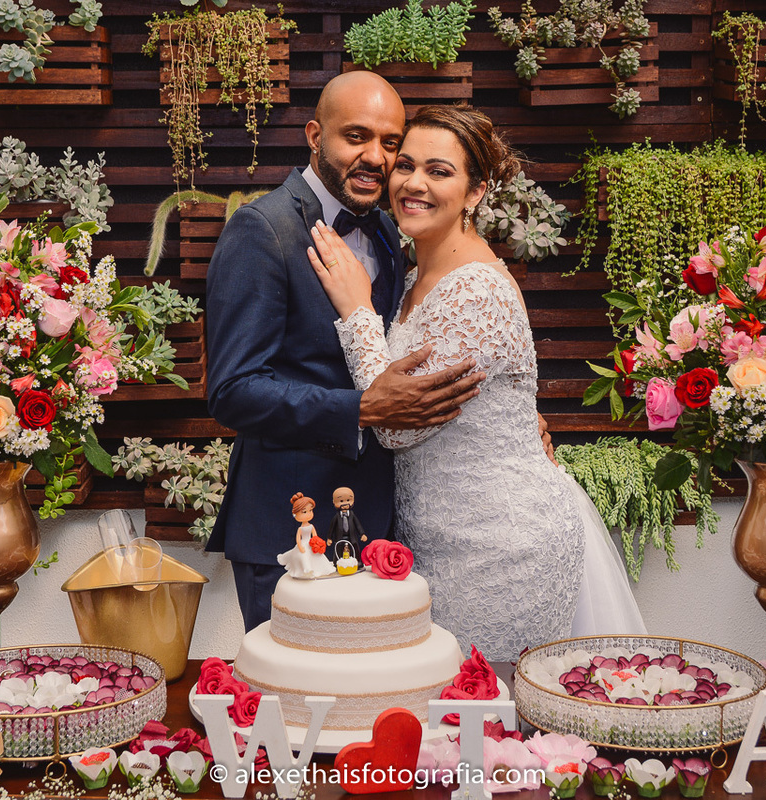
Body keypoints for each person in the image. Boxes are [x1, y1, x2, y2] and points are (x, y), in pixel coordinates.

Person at [307, 104, 646, 661]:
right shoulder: (417, 274)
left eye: (439, 172)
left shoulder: (473, 292)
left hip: (501, 548)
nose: (414, 183)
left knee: (492, 722)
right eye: (406, 166)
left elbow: (396, 429)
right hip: (442, 541)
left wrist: (357, 311)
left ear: (475, 192)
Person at [204, 72, 485, 633]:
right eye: (356, 136)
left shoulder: (388, 227)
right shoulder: (262, 229)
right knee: (293, 698)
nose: (375, 157)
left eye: (389, 143)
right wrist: (359, 409)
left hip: (379, 522)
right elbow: (232, 391)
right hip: (290, 523)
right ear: (314, 135)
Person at [277, 493, 337, 579]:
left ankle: (321, 569)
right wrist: (300, 547)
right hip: (303, 544)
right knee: (304, 556)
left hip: (311, 544)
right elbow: (298, 538)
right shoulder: (300, 529)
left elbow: (315, 535)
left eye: (310, 510)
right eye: (304, 512)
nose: (308, 514)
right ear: (295, 514)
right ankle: (307, 569)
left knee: (318, 556)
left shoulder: (311, 526)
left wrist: (317, 542)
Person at [326, 486, 368, 562]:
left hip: (351, 536)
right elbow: (332, 527)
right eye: (341, 501)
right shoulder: (337, 517)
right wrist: (329, 538)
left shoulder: (352, 515)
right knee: (338, 549)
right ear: (334, 502)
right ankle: (337, 562)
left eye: (348, 500)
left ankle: (357, 561)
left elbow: (358, 525)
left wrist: (362, 534)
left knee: (355, 548)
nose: (345, 504)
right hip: (340, 537)